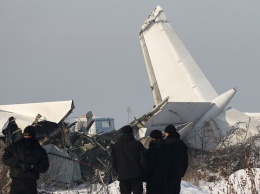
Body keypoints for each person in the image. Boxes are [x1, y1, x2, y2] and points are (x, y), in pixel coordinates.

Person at [2, 125, 49, 194]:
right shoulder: (15, 146)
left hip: (30, 183)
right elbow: (5, 158)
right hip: (16, 182)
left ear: (33, 136)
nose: (27, 138)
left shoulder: (39, 150)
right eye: (25, 136)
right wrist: (19, 164)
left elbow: (44, 166)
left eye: (29, 137)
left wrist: (33, 167)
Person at [111, 125, 147, 194]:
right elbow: (143, 161)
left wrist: (120, 171)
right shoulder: (137, 144)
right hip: (136, 175)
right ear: (132, 133)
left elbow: (114, 162)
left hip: (123, 176)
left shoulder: (116, 146)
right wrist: (143, 172)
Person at [164, 124, 189, 194]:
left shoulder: (166, 144)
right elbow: (185, 161)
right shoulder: (182, 144)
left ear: (167, 133)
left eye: (165, 133)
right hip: (178, 173)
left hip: (168, 174)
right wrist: (182, 172)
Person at [146, 129, 169, 194]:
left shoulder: (151, 150)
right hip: (164, 177)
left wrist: (146, 175)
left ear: (153, 138)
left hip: (153, 178)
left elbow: (149, 164)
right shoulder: (167, 148)